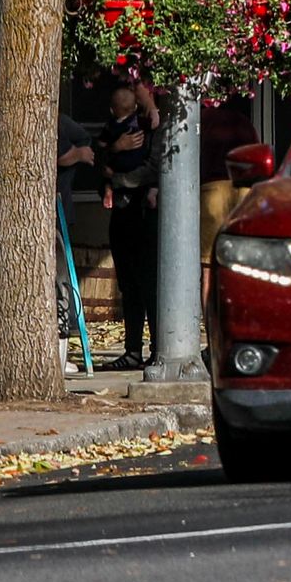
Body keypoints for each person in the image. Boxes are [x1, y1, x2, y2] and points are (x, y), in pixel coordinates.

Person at [97, 66, 165, 367]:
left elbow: (154, 169)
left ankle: (158, 349)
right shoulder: (120, 127)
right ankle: (133, 349)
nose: (133, 91)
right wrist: (116, 148)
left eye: (137, 86)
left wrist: (119, 180)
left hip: (145, 213)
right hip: (124, 212)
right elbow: (99, 158)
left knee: (149, 282)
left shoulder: (158, 126)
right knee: (129, 284)